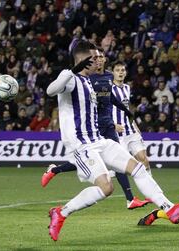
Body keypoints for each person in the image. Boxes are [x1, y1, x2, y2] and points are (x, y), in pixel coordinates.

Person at [46, 41, 179, 241]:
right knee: (106, 188)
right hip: (81, 146)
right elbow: (50, 90)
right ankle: (62, 212)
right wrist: (71, 71)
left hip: (99, 140)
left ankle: (170, 209)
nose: (98, 61)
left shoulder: (90, 81)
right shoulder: (71, 79)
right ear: (84, 60)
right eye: (94, 58)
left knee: (139, 168)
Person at [41, 49, 150, 209]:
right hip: (92, 126)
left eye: (100, 57)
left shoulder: (107, 77)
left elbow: (110, 97)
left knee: (116, 161)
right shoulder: (85, 77)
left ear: (105, 60)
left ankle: (130, 199)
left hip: (108, 125)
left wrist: (125, 111)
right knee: (92, 160)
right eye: (95, 57)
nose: (98, 60)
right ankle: (55, 170)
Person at [111, 62, 151, 172]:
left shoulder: (127, 88)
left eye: (122, 70)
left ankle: (150, 187)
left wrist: (134, 124)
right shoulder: (108, 89)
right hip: (118, 133)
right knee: (123, 167)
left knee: (144, 160)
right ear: (113, 73)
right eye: (117, 70)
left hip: (131, 131)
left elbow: (128, 108)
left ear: (125, 73)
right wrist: (112, 125)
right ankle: (112, 172)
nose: (120, 72)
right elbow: (101, 110)